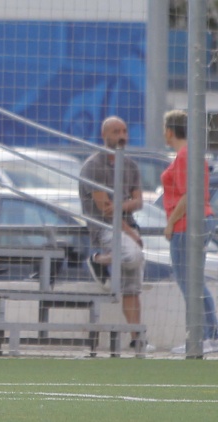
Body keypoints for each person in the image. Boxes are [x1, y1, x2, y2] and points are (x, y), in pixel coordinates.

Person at [79, 116, 150, 352]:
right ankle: (97, 259)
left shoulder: (130, 165)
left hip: (127, 229)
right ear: (104, 136)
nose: (122, 136)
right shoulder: (94, 165)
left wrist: (122, 206)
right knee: (132, 256)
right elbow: (105, 210)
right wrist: (129, 229)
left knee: (132, 287)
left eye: (125, 131)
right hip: (105, 230)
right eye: (116, 132)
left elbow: (138, 202)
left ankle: (136, 337)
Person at [161, 109, 218, 354]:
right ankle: (206, 334)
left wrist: (171, 222)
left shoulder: (185, 156)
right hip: (198, 220)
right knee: (193, 281)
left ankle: (206, 334)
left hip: (187, 223)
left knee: (190, 283)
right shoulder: (190, 155)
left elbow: (188, 193)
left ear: (169, 132)